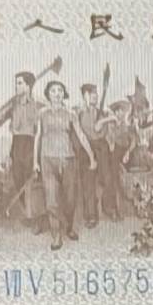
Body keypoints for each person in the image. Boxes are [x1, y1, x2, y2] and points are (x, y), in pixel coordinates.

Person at [34, 80, 96, 250]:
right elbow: (38, 137)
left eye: (60, 90)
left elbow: (81, 135)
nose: (57, 93)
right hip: (47, 160)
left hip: (68, 160)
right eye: (53, 90)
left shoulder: (71, 113)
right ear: (48, 94)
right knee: (51, 200)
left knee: (70, 199)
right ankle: (56, 235)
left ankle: (69, 226)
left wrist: (91, 156)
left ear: (64, 94)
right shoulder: (42, 113)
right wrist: (35, 162)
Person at [0, 71, 43, 231]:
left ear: (28, 86)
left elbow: (42, 128)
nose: (16, 86)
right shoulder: (13, 105)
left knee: (30, 181)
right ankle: (28, 213)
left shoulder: (38, 104)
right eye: (16, 83)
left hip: (32, 143)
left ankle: (34, 217)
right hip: (16, 144)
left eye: (20, 83)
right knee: (18, 179)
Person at [75, 83, 113, 229]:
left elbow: (104, 131)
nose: (95, 97)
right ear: (84, 96)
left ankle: (108, 207)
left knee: (107, 178)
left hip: (101, 147)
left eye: (96, 94)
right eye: (91, 94)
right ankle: (91, 215)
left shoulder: (102, 112)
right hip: (86, 148)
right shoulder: (79, 113)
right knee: (88, 183)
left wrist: (103, 123)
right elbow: (83, 132)